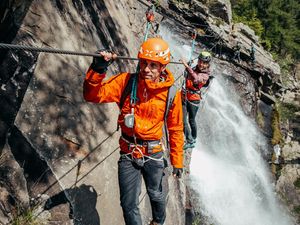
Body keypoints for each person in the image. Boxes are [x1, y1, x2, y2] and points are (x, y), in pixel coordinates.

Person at [83, 37, 184, 225]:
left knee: (156, 195)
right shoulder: (126, 82)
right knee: (128, 205)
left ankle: (158, 222)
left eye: (153, 65)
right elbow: (92, 95)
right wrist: (98, 69)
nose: (146, 69)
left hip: (153, 153)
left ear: (162, 67)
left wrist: (177, 161)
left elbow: (175, 129)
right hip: (129, 152)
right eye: (144, 63)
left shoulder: (171, 93)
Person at [181, 51, 212, 149]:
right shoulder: (196, 68)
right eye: (200, 61)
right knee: (183, 120)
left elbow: (196, 79)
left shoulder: (205, 75)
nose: (201, 64)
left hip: (194, 100)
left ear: (207, 65)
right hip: (186, 96)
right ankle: (191, 139)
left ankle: (192, 139)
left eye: (204, 63)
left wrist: (187, 66)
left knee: (191, 120)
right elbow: (190, 74)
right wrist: (189, 66)